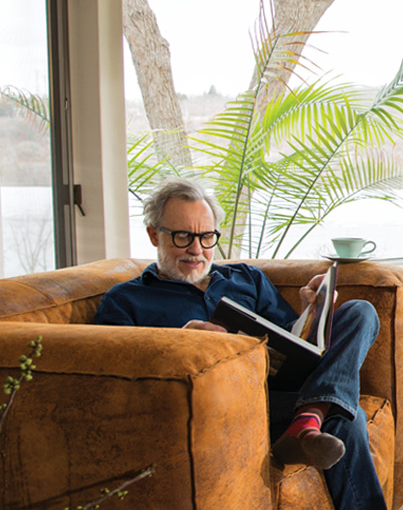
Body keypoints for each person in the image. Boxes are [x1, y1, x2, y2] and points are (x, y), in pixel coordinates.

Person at [95, 177, 386, 510]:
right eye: (182, 237)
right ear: (153, 234)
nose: (196, 249)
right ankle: (312, 416)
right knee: (348, 419)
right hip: (226, 409)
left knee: (360, 312)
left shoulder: (247, 278)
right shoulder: (126, 299)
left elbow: (293, 343)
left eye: (206, 237)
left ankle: (308, 414)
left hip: (283, 390)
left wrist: (311, 309)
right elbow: (113, 378)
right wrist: (179, 342)